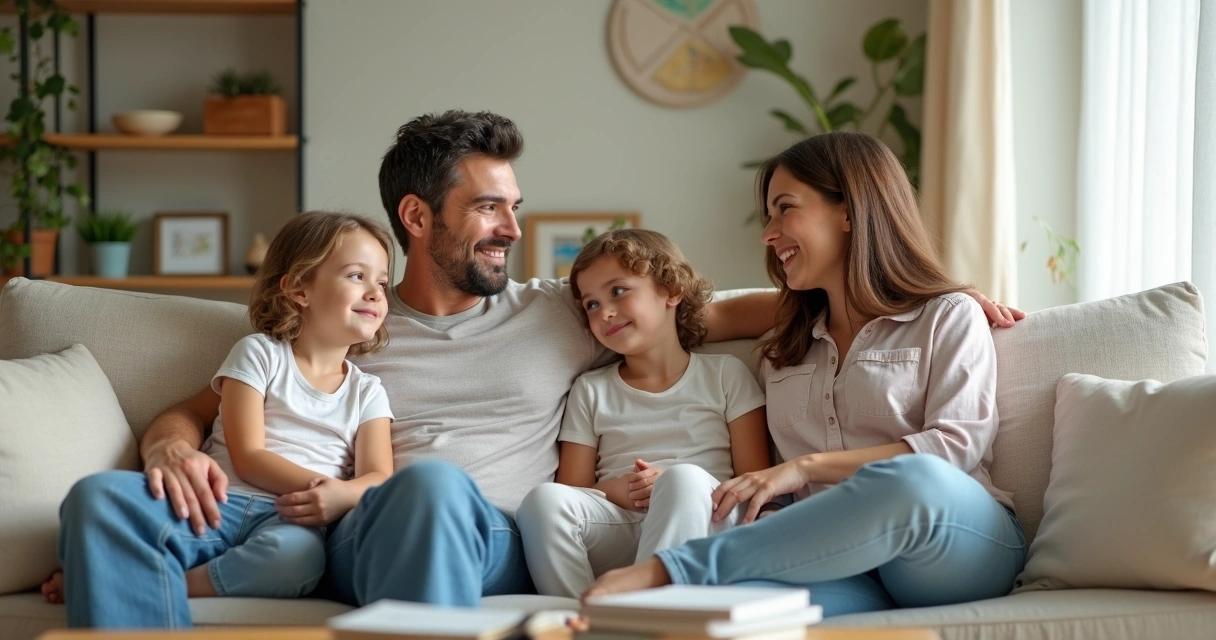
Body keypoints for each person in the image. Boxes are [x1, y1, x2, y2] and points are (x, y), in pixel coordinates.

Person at [53, 111, 1022, 628]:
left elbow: (702, 309)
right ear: (418, 220)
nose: (513, 228)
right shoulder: (358, 317)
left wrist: (917, 292)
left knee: (427, 485)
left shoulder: (563, 311)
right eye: (488, 208)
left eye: (515, 205)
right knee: (105, 503)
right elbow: (226, 396)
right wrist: (168, 437)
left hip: (470, 530)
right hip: (350, 523)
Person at [584, 132, 1028, 617]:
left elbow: (955, 448)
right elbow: (654, 313)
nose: (768, 234)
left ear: (850, 210)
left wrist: (802, 468)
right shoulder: (784, 338)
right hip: (840, 563)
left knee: (913, 479)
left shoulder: (947, 316)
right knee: (726, 613)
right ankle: (670, 602)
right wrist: (604, 302)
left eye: (784, 209)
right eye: (769, 215)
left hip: (951, 547)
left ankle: (673, 570)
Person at [49, 212, 396, 621]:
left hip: (289, 521)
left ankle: (164, 581)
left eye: (383, 282)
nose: (375, 292)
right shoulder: (259, 354)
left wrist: (343, 496)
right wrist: (325, 486)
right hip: (214, 501)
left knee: (298, 559)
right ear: (299, 288)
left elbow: (380, 478)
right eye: (357, 276)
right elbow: (247, 454)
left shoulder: (367, 392)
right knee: (98, 496)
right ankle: (116, 568)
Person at [516, 229, 770, 598]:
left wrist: (673, 484)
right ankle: (580, 619)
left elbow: (753, 482)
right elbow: (573, 490)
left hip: (706, 521)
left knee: (681, 480)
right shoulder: (590, 389)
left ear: (671, 290)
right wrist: (617, 491)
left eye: (618, 291)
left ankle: (652, 617)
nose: (605, 312)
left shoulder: (725, 374)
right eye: (591, 304)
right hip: (622, 522)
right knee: (542, 500)